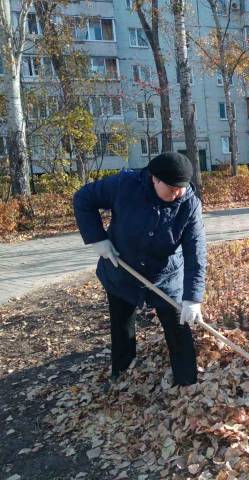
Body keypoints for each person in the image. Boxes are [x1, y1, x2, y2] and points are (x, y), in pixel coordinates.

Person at [73, 152, 207, 386]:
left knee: (179, 331)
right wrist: (98, 239)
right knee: (122, 327)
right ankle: (122, 376)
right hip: (122, 269)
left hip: (166, 276)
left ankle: (187, 382)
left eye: (181, 188)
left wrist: (193, 298)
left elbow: (195, 252)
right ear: (154, 179)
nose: (177, 193)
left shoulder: (189, 204)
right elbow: (83, 198)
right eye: (172, 187)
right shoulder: (124, 185)